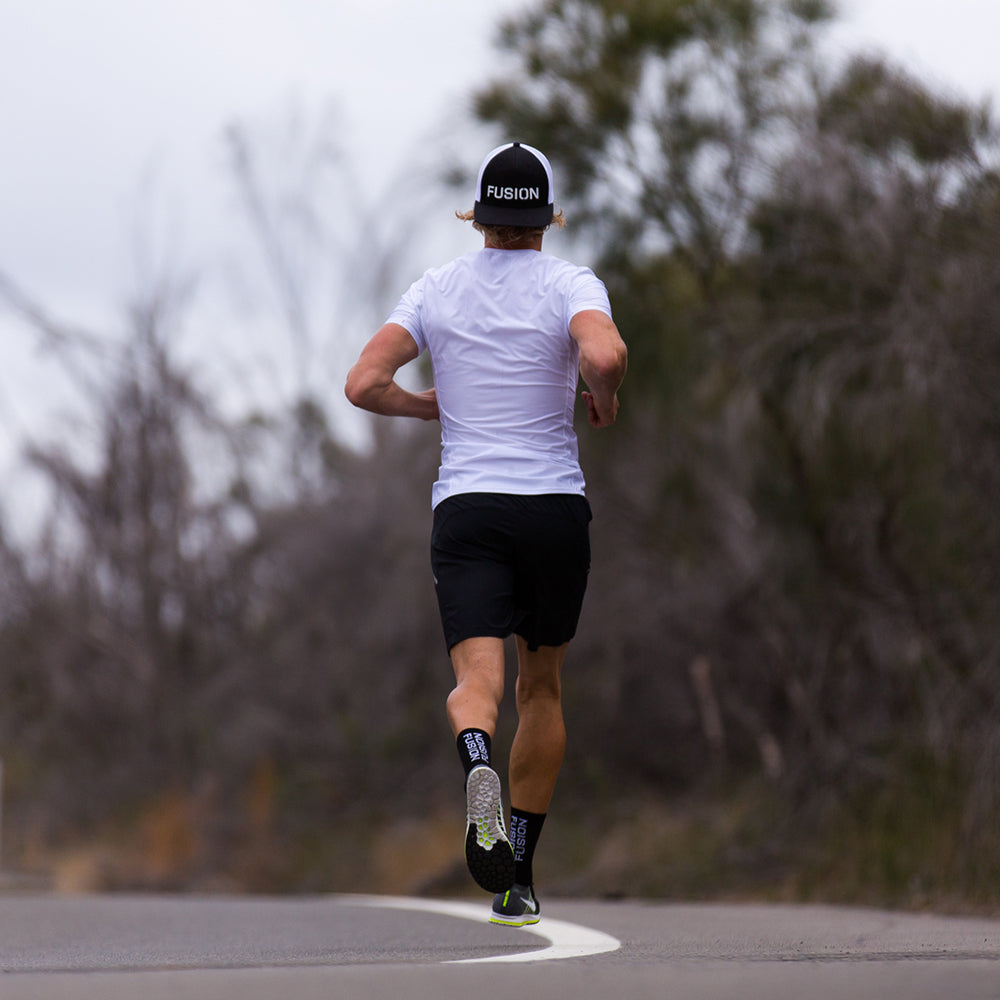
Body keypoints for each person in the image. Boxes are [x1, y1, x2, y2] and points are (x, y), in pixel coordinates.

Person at [345, 141, 627, 926]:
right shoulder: (570, 281)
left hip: (467, 508)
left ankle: (477, 768)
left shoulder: (436, 289)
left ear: (480, 219)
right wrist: (601, 397)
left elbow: (362, 382)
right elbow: (604, 351)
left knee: (480, 685)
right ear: (544, 221)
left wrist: (425, 406)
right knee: (543, 687)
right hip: (551, 508)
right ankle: (519, 880)